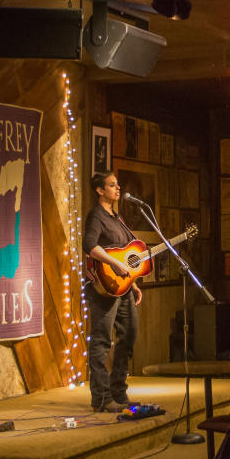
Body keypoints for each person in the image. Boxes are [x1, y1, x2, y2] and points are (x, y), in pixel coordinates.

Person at [82, 171, 142, 413]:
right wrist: (114, 263)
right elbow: (89, 245)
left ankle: (119, 390)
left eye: (118, 184)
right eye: (112, 185)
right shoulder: (96, 216)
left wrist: (134, 282)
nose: (118, 188)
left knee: (129, 335)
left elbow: (127, 255)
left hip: (123, 287)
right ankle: (101, 398)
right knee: (102, 340)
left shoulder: (117, 218)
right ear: (100, 190)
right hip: (103, 288)